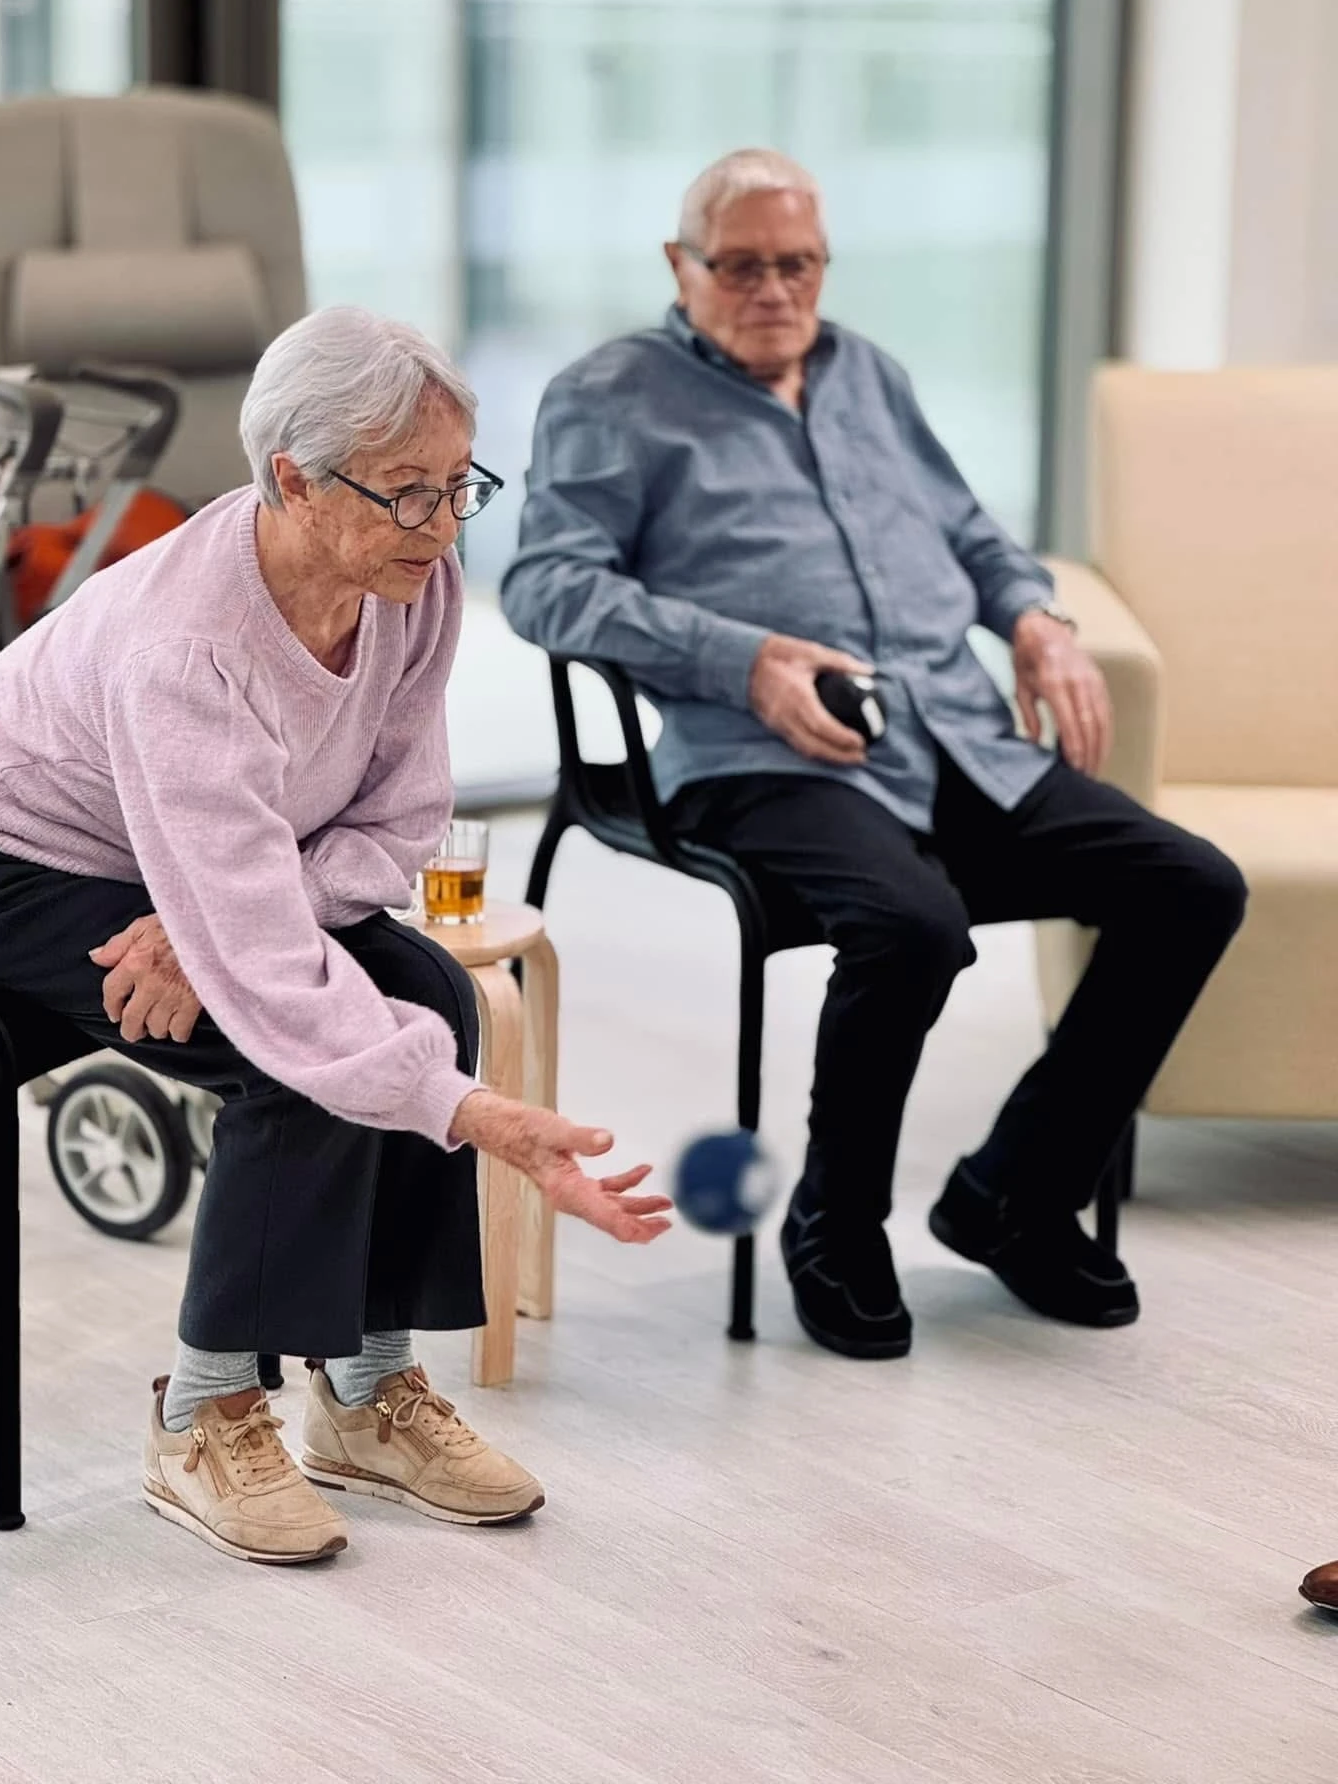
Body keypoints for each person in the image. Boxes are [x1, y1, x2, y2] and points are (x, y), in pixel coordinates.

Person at [0, 305, 670, 1566]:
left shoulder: (412, 582)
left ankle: (365, 1394)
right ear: (292, 478)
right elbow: (270, 980)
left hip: (182, 851)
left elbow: (402, 818)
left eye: (459, 484)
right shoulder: (188, 649)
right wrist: (484, 1118)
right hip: (0, 860)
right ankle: (202, 1414)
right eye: (408, 491)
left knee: (428, 992)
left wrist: (216, 925)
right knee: (288, 1056)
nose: (444, 522)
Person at [501, 148, 1247, 1362]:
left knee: (1192, 885)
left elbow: (966, 528)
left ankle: (1013, 1192)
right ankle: (834, 1222)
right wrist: (744, 658)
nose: (773, 290)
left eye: (795, 264)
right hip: (758, 754)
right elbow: (546, 584)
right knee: (913, 926)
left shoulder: (869, 375)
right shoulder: (612, 394)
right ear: (679, 265)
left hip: (947, 729)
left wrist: (1036, 618)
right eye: (739, 265)